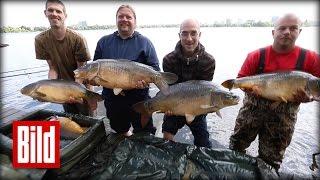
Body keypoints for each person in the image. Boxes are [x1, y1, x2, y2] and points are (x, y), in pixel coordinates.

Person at [229, 13, 320, 171]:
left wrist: (309, 99)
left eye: (293, 28)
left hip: (283, 120)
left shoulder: (311, 58)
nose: (287, 32)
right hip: (251, 112)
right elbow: (240, 81)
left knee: (271, 162)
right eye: (282, 28)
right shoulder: (256, 55)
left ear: (300, 32)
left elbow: (317, 90)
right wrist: (251, 90)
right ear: (273, 32)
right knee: (236, 147)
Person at [93, 5, 159, 136]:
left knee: (144, 132)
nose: (124, 19)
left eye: (128, 17)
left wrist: (145, 82)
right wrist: (94, 81)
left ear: (135, 21)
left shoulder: (145, 43)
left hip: (139, 97)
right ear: (116, 20)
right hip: (113, 99)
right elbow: (95, 70)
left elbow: (155, 70)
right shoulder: (103, 42)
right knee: (120, 129)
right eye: (120, 16)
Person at [35, 0, 96, 116]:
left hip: (82, 86)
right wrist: (51, 89)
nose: (54, 13)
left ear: (65, 15)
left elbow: (81, 73)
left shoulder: (78, 39)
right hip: (62, 86)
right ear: (45, 13)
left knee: (89, 121)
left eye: (58, 11)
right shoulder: (40, 40)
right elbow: (52, 68)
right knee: (71, 117)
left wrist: (73, 92)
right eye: (50, 10)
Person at [162, 19, 216, 148]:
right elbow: (169, 90)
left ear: (199, 35)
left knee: (204, 144)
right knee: (167, 137)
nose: (189, 38)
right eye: (184, 33)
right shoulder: (168, 60)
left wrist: (209, 107)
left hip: (197, 108)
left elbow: (206, 90)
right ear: (179, 35)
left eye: (193, 33)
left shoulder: (209, 61)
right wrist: (167, 106)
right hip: (175, 106)